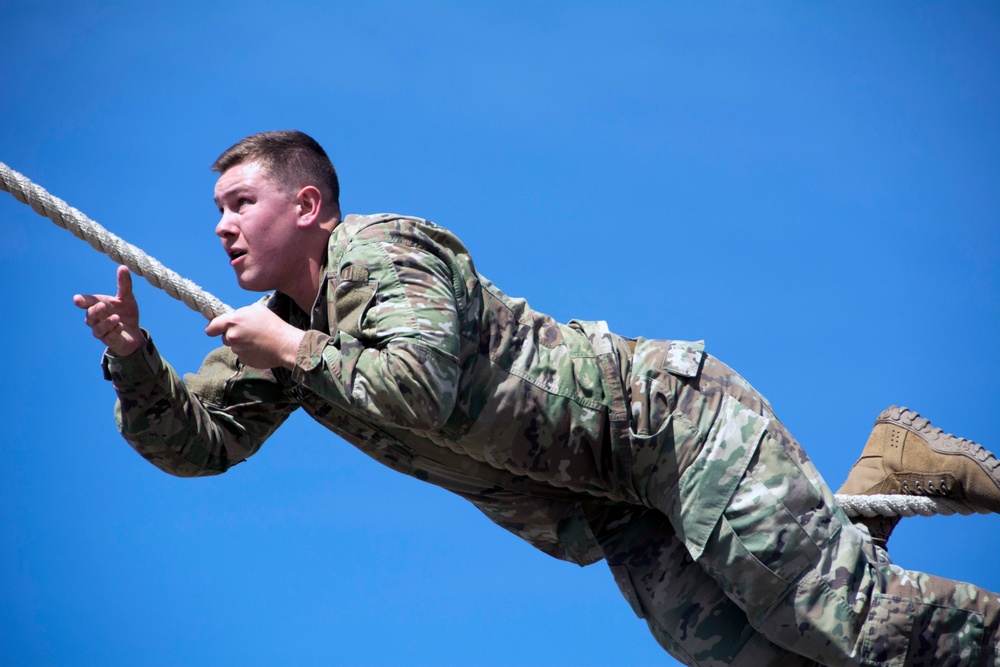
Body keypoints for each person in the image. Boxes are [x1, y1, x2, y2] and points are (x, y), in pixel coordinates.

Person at [74, 130, 1000, 666]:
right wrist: (135, 364)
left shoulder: (385, 253)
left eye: (240, 202)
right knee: (767, 658)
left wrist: (295, 348)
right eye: (218, 210)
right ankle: (885, 467)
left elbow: (417, 385)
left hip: (666, 427)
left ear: (308, 206)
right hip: (612, 503)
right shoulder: (281, 327)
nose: (221, 225)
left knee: (851, 626)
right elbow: (201, 443)